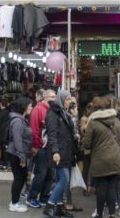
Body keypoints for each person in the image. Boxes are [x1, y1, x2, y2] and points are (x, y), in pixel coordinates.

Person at [83, 96, 120, 218]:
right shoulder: (116, 120)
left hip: (99, 160)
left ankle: (99, 213)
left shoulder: (93, 123)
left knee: (101, 188)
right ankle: (112, 214)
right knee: (112, 188)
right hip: (115, 158)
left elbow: (86, 143)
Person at [44, 89, 75, 218]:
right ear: (61, 99)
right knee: (64, 179)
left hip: (65, 151)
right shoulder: (53, 113)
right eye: (67, 99)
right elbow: (52, 134)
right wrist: (55, 151)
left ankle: (59, 206)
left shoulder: (62, 112)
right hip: (59, 152)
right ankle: (50, 205)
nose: (70, 101)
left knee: (61, 179)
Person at [27, 89, 56, 208]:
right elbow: (34, 129)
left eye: (55, 97)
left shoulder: (51, 109)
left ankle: (44, 197)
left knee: (49, 174)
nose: (54, 99)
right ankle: (31, 197)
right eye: (52, 97)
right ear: (46, 97)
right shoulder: (38, 109)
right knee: (41, 173)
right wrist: (36, 146)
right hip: (41, 148)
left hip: (50, 147)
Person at [7, 97, 34, 213]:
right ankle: (14, 203)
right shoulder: (18, 121)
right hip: (16, 154)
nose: (31, 108)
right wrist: (22, 157)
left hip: (18, 153)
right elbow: (17, 141)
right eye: (30, 106)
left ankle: (15, 201)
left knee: (21, 178)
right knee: (19, 179)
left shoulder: (20, 119)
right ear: (24, 107)